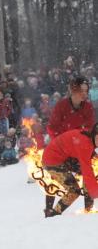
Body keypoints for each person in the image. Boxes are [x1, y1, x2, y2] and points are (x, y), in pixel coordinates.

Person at [45, 76, 96, 214]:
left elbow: (89, 129)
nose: (84, 94)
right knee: (54, 177)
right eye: (81, 91)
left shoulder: (88, 107)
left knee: (90, 168)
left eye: (86, 91)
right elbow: (52, 127)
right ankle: (50, 209)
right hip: (60, 148)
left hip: (79, 146)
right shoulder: (62, 106)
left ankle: (89, 208)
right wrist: (64, 143)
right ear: (73, 91)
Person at [42, 124, 98, 217]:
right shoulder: (85, 144)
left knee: (92, 168)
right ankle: (54, 214)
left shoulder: (88, 136)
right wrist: (95, 193)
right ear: (94, 135)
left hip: (64, 157)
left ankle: (89, 208)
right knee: (74, 191)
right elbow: (87, 171)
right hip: (52, 161)